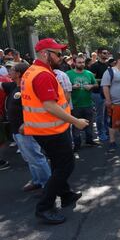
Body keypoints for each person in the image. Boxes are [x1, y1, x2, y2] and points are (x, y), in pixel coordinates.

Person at [21, 38, 89, 224]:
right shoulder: (43, 75)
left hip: (43, 129)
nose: (61, 57)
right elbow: (49, 106)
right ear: (45, 54)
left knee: (58, 165)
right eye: (57, 54)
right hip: (51, 131)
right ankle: (44, 207)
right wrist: (76, 121)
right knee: (66, 166)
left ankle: (66, 195)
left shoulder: (32, 72)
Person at [0, 62, 51, 191]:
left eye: (11, 70)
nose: (8, 72)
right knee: (29, 158)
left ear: (18, 74)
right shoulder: (12, 86)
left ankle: (49, 186)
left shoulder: (28, 87)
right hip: (16, 129)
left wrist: (26, 123)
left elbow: (39, 107)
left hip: (26, 129)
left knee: (36, 157)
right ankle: (37, 181)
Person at [67, 56, 99, 152]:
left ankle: (89, 140)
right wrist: (72, 87)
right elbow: (62, 87)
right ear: (74, 63)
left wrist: (91, 86)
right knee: (76, 126)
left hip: (88, 103)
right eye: (79, 62)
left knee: (89, 124)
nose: (81, 64)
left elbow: (96, 84)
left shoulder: (89, 73)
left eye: (83, 62)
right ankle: (77, 144)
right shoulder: (68, 74)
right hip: (75, 105)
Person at [90, 47, 110, 141]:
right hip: (97, 93)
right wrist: (104, 80)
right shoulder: (94, 66)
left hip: (106, 93)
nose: (106, 55)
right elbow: (92, 80)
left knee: (106, 114)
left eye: (107, 53)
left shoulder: (107, 65)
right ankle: (100, 133)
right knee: (100, 115)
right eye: (104, 53)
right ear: (99, 54)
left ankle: (106, 130)